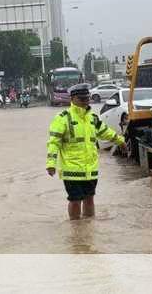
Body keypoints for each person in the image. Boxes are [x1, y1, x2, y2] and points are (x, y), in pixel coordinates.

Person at [46, 83, 126, 220]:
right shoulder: (63, 118)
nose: (85, 102)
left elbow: (105, 132)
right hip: (72, 171)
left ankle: (89, 228)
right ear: (72, 99)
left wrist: (120, 141)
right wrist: (51, 163)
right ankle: (76, 229)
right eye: (81, 99)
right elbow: (54, 142)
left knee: (90, 199)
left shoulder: (93, 118)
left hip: (90, 169)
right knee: (75, 200)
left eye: (87, 99)